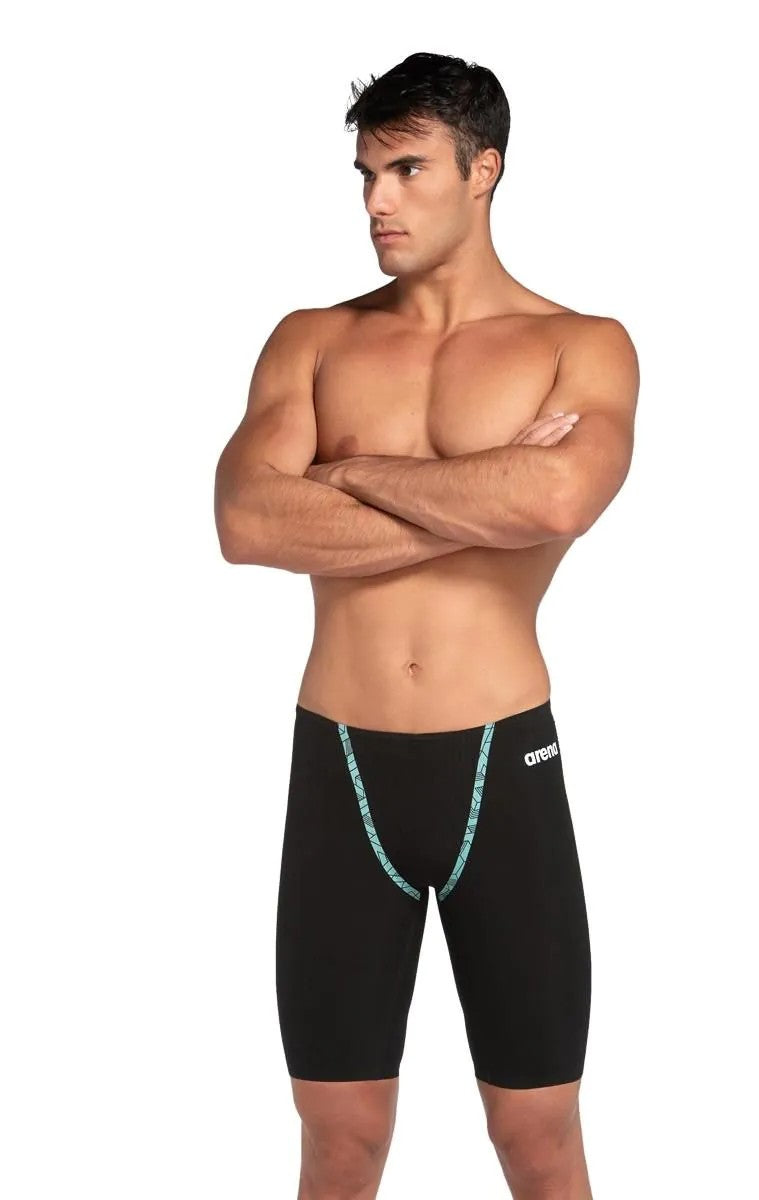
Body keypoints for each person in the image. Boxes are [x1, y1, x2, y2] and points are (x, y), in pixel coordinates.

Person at [214, 50, 638, 1200]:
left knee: (536, 1137)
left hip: (501, 759)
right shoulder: (312, 338)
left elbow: (556, 498)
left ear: (482, 169)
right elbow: (246, 521)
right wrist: (477, 498)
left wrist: (343, 475)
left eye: (405, 170)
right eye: (364, 174)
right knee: (339, 1142)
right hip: (341, 763)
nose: (376, 201)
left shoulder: (580, 343)